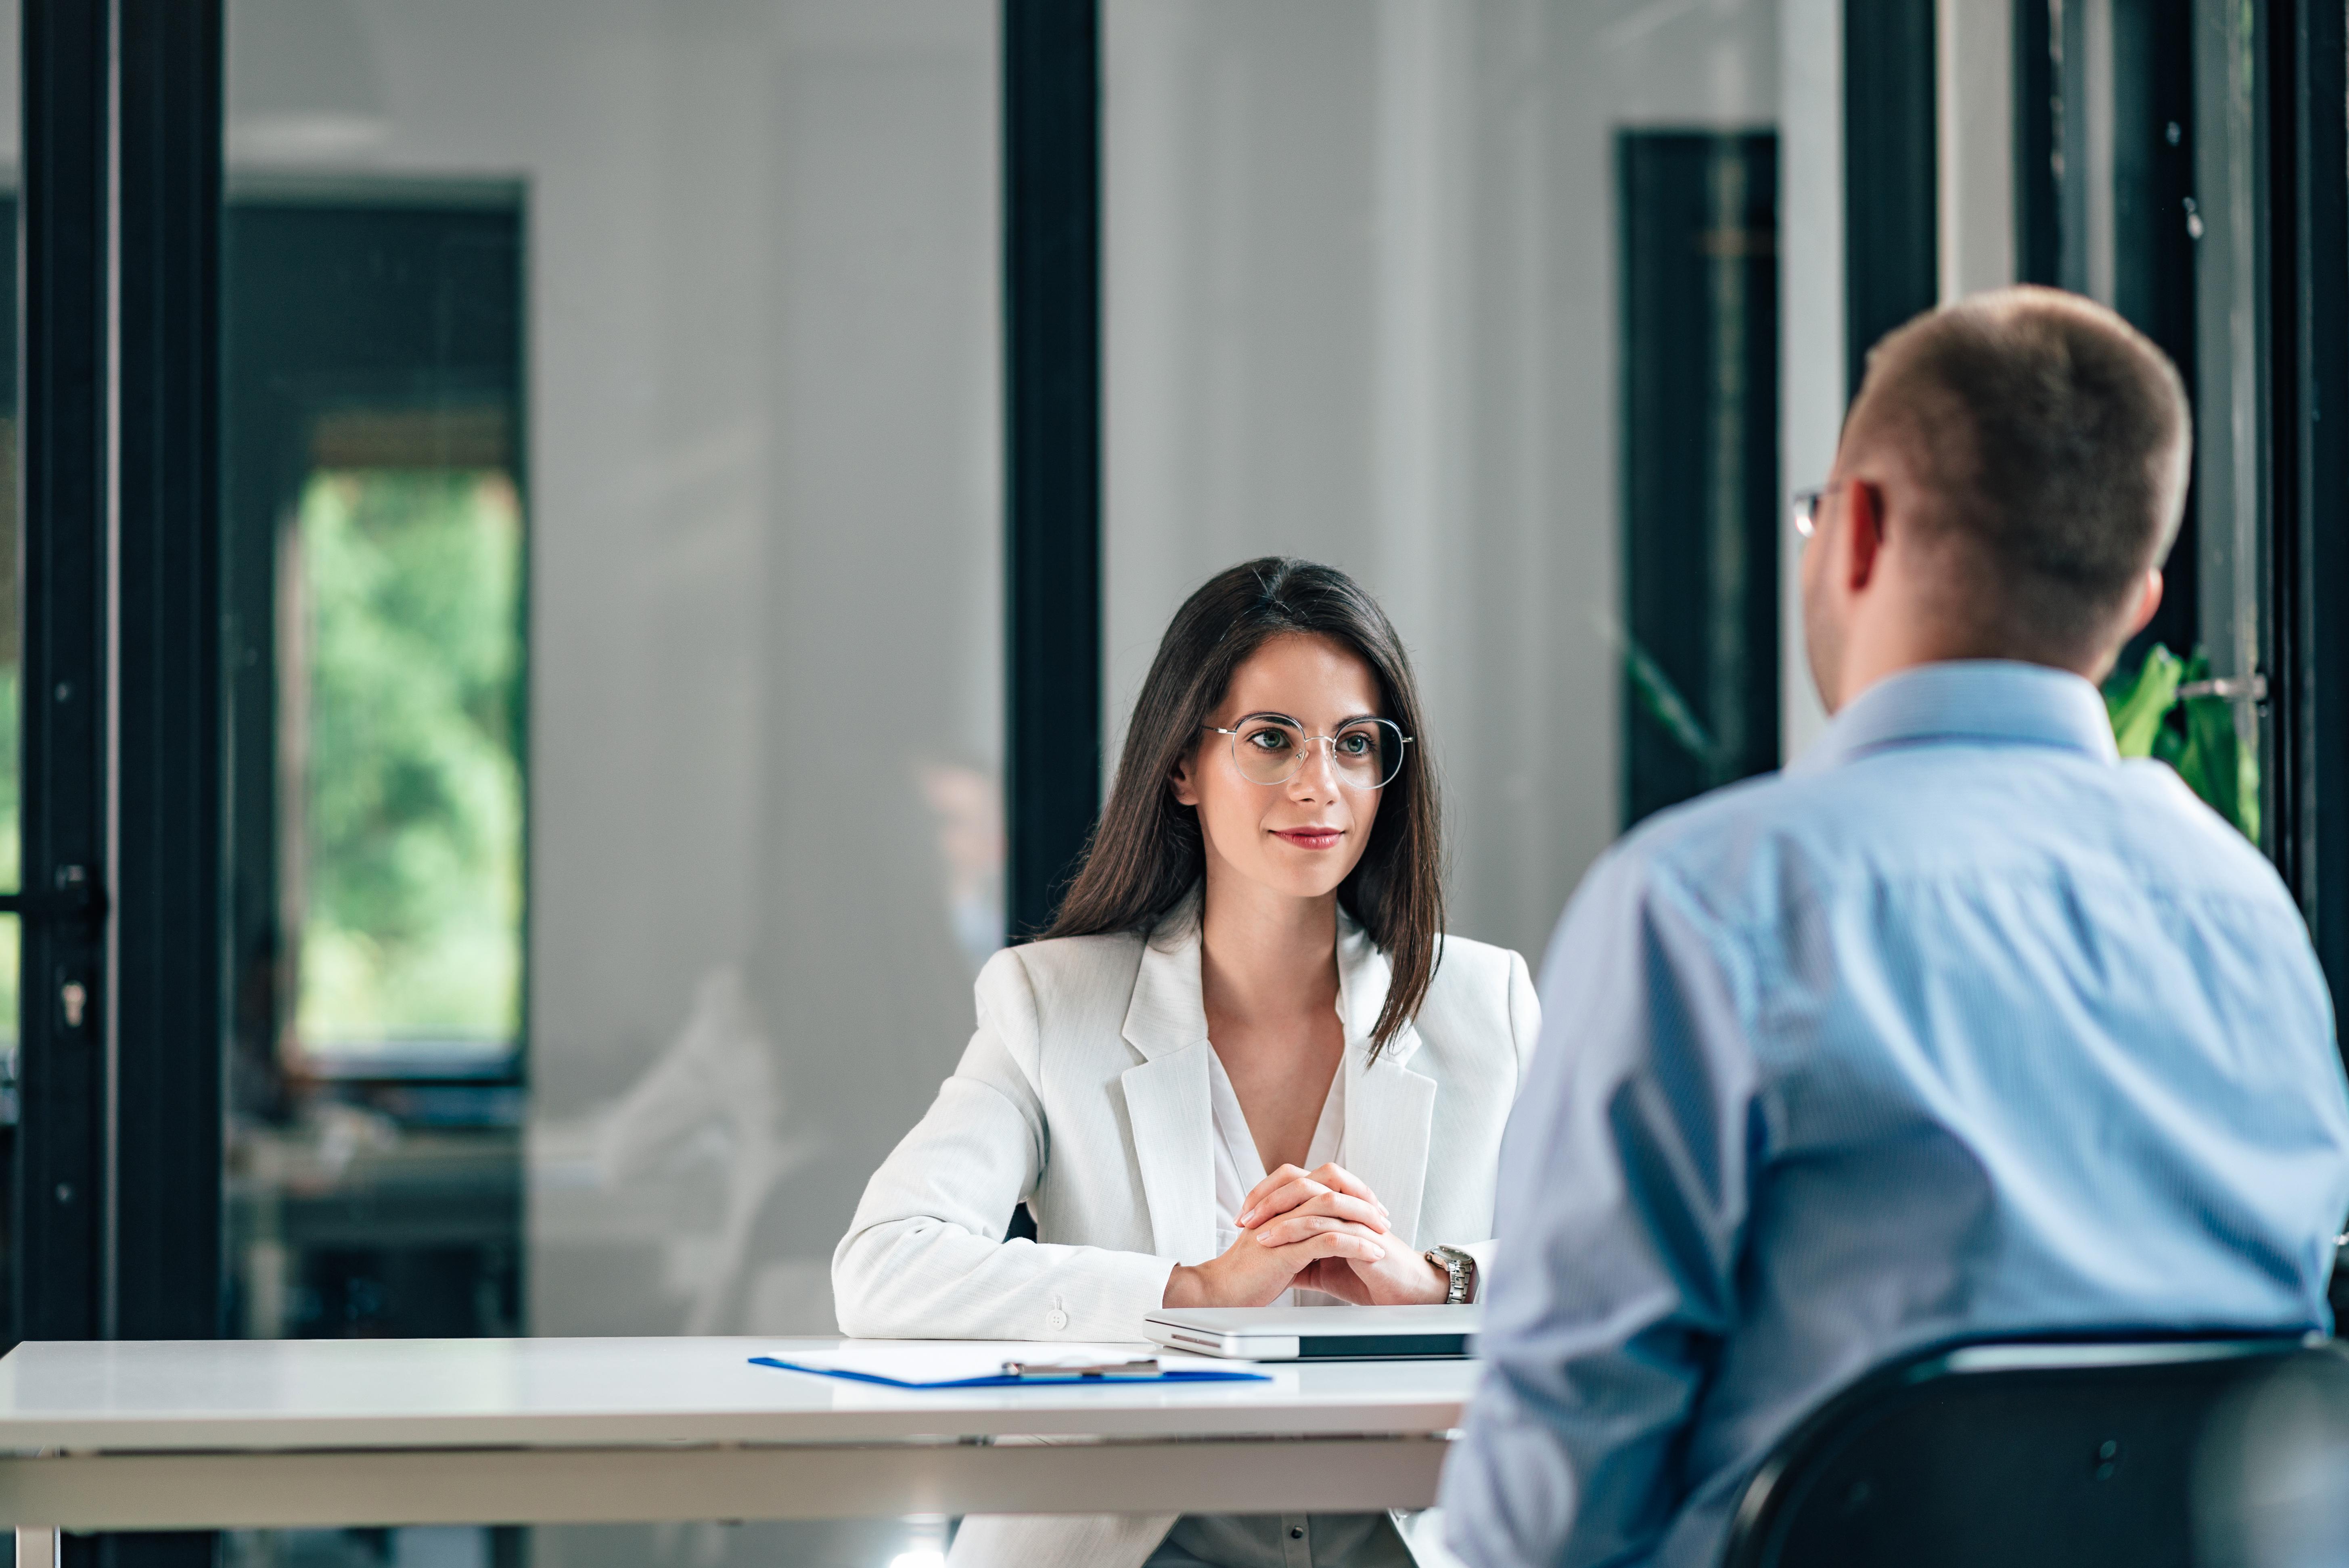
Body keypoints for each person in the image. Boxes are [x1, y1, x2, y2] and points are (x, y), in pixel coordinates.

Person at [1441, 286, 2349, 1567]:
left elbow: (1541, 1522)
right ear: (2136, 599)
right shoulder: (2245, 918)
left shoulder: (1700, 905)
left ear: (1854, 528)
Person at [836, 556, 1540, 1568]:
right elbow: (883, 1265)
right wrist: (1195, 1291)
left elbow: (1618, 1280)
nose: (1318, 783)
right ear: (1180, 766)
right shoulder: (1051, 1004)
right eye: (1270, 739)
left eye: (1353, 744)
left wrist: (1434, 1283)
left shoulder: (1486, 1004)